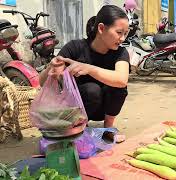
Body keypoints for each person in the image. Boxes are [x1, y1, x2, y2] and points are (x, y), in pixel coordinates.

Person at [39, 5, 130, 143]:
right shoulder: (75, 47)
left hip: (104, 108)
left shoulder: (120, 52)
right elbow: (41, 82)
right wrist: (51, 68)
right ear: (101, 28)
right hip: (77, 108)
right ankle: (80, 129)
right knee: (92, 90)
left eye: (126, 33)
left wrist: (88, 68)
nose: (122, 38)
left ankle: (108, 129)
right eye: (119, 32)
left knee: (119, 88)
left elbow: (122, 80)